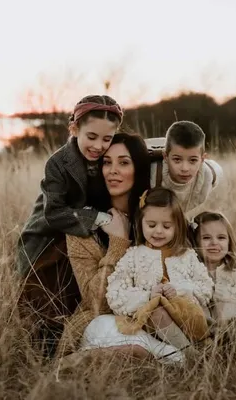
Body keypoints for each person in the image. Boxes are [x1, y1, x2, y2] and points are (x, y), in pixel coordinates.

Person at [57, 133, 187, 363]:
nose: (113, 171)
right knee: (136, 345)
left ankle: (163, 356)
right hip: (102, 321)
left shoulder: (156, 220)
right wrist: (118, 243)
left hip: (153, 318)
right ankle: (77, 361)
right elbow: (96, 303)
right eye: (107, 162)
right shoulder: (82, 224)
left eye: (124, 163)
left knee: (164, 348)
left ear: (139, 169)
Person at [17, 94, 123, 352]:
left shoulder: (113, 153)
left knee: (88, 283)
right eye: (91, 137)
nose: (98, 146)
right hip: (51, 231)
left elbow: (143, 152)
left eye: (106, 138)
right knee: (50, 288)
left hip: (87, 234)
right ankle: (46, 343)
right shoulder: (58, 162)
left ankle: (84, 334)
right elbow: (54, 213)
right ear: (75, 129)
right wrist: (96, 218)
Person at [102, 188, 214, 355]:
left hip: (188, 316)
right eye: (151, 225)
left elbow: (206, 288)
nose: (159, 231)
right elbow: (115, 294)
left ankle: (203, 344)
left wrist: (179, 289)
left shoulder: (186, 255)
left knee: (201, 314)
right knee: (157, 312)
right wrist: (148, 296)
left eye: (166, 226)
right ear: (140, 223)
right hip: (153, 324)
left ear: (177, 226)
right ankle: (190, 355)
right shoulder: (133, 256)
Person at [147, 121, 223, 220]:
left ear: (202, 159)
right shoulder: (153, 173)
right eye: (177, 160)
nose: (185, 168)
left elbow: (218, 169)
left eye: (193, 160)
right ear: (165, 157)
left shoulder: (208, 176)